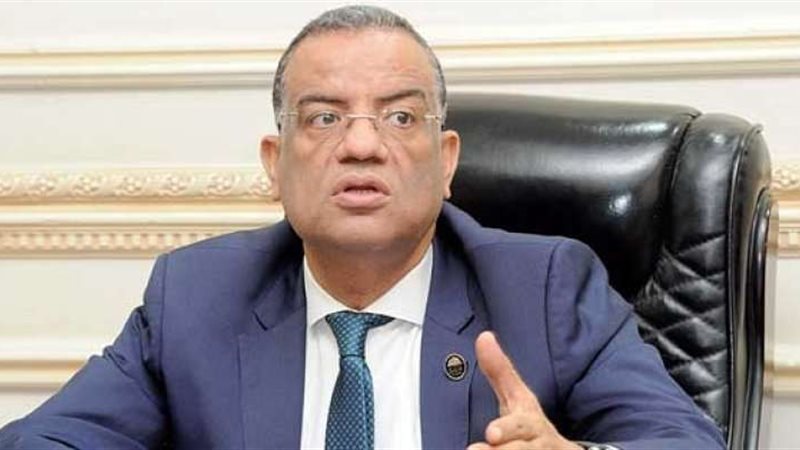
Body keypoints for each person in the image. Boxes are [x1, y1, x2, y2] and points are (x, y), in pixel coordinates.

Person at [0, 5, 725, 450]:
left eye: (400, 116)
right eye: (324, 117)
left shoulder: (544, 289)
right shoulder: (196, 295)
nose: (361, 144)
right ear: (275, 164)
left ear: (447, 162)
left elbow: (681, 442)